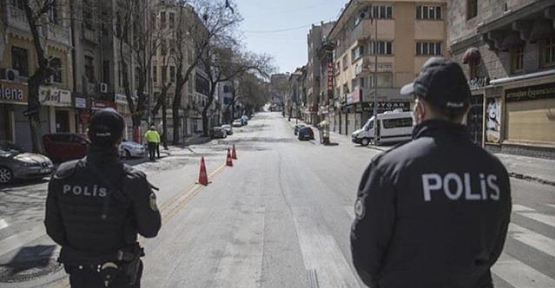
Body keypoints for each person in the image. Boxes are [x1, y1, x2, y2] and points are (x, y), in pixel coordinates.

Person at [350, 57, 511, 288]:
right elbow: (494, 248)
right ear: (466, 109)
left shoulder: (389, 168)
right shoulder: (495, 171)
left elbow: (365, 250)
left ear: (420, 109)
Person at [45, 108, 162, 288]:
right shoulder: (132, 180)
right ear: (120, 138)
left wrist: (82, 247)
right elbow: (150, 229)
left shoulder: (63, 176)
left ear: (88, 135)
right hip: (120, 272)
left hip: (81, 272)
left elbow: (53, 227)